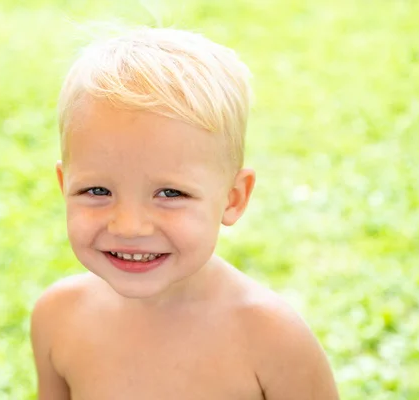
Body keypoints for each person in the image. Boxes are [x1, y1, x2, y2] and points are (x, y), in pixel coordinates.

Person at [31, 26, 339, 400]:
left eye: (170, 193)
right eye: (98, 191)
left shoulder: (273, 340)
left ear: (233, 198)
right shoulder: (57, 318)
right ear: (64, 185)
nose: (129, 226)